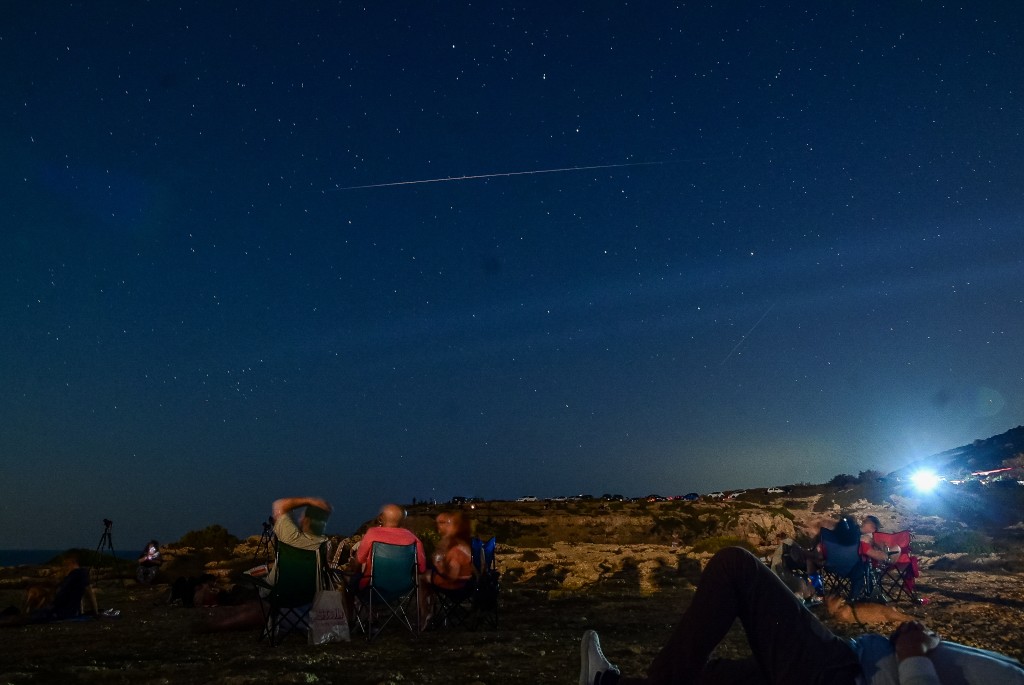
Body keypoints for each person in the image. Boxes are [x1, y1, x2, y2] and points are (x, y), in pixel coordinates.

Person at [578, 546, 1024, 685]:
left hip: (846, 676)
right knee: (711, 678)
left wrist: (914, 656)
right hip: (854, 662)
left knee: (735, 567)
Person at [198, 495, 331, 632]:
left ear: (307, 520)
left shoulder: (293, 537)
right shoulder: (323, 545)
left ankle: (215, 622)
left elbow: (279, 505)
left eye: (302, 517)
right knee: (254, 598)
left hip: (283, 598)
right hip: (309, 599)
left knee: (253, 599)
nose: (299, 519)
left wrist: (309, 500)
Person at [1, 553, 100, 626]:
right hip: (57, 609)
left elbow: (89, 594)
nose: (64, 567)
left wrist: (95, 613)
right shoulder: (70, 578)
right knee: (28, 616)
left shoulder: (80, 574)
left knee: (27, 618)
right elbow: (81, 596)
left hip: (59, 612)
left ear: (72, 563)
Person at [351, 503, 427, 589]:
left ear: (381, 518)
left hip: (373, 587)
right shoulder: (413, 539)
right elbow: (422, 568)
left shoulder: (372, 534)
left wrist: (355, 573)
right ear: (402, 520)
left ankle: (351, 602)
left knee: (347, 581)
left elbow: (359, 560)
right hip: (403, 588)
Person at [420, 510, 474, 628]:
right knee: (428, 576)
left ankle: (426, 614)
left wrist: (439, 566)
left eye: (446, 523)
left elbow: (452, 575)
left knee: (423, 578)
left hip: (457, 586)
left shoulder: (456, 548)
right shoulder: (468, 543)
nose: (440, 526)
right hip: (468, 583)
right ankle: (430, 612)